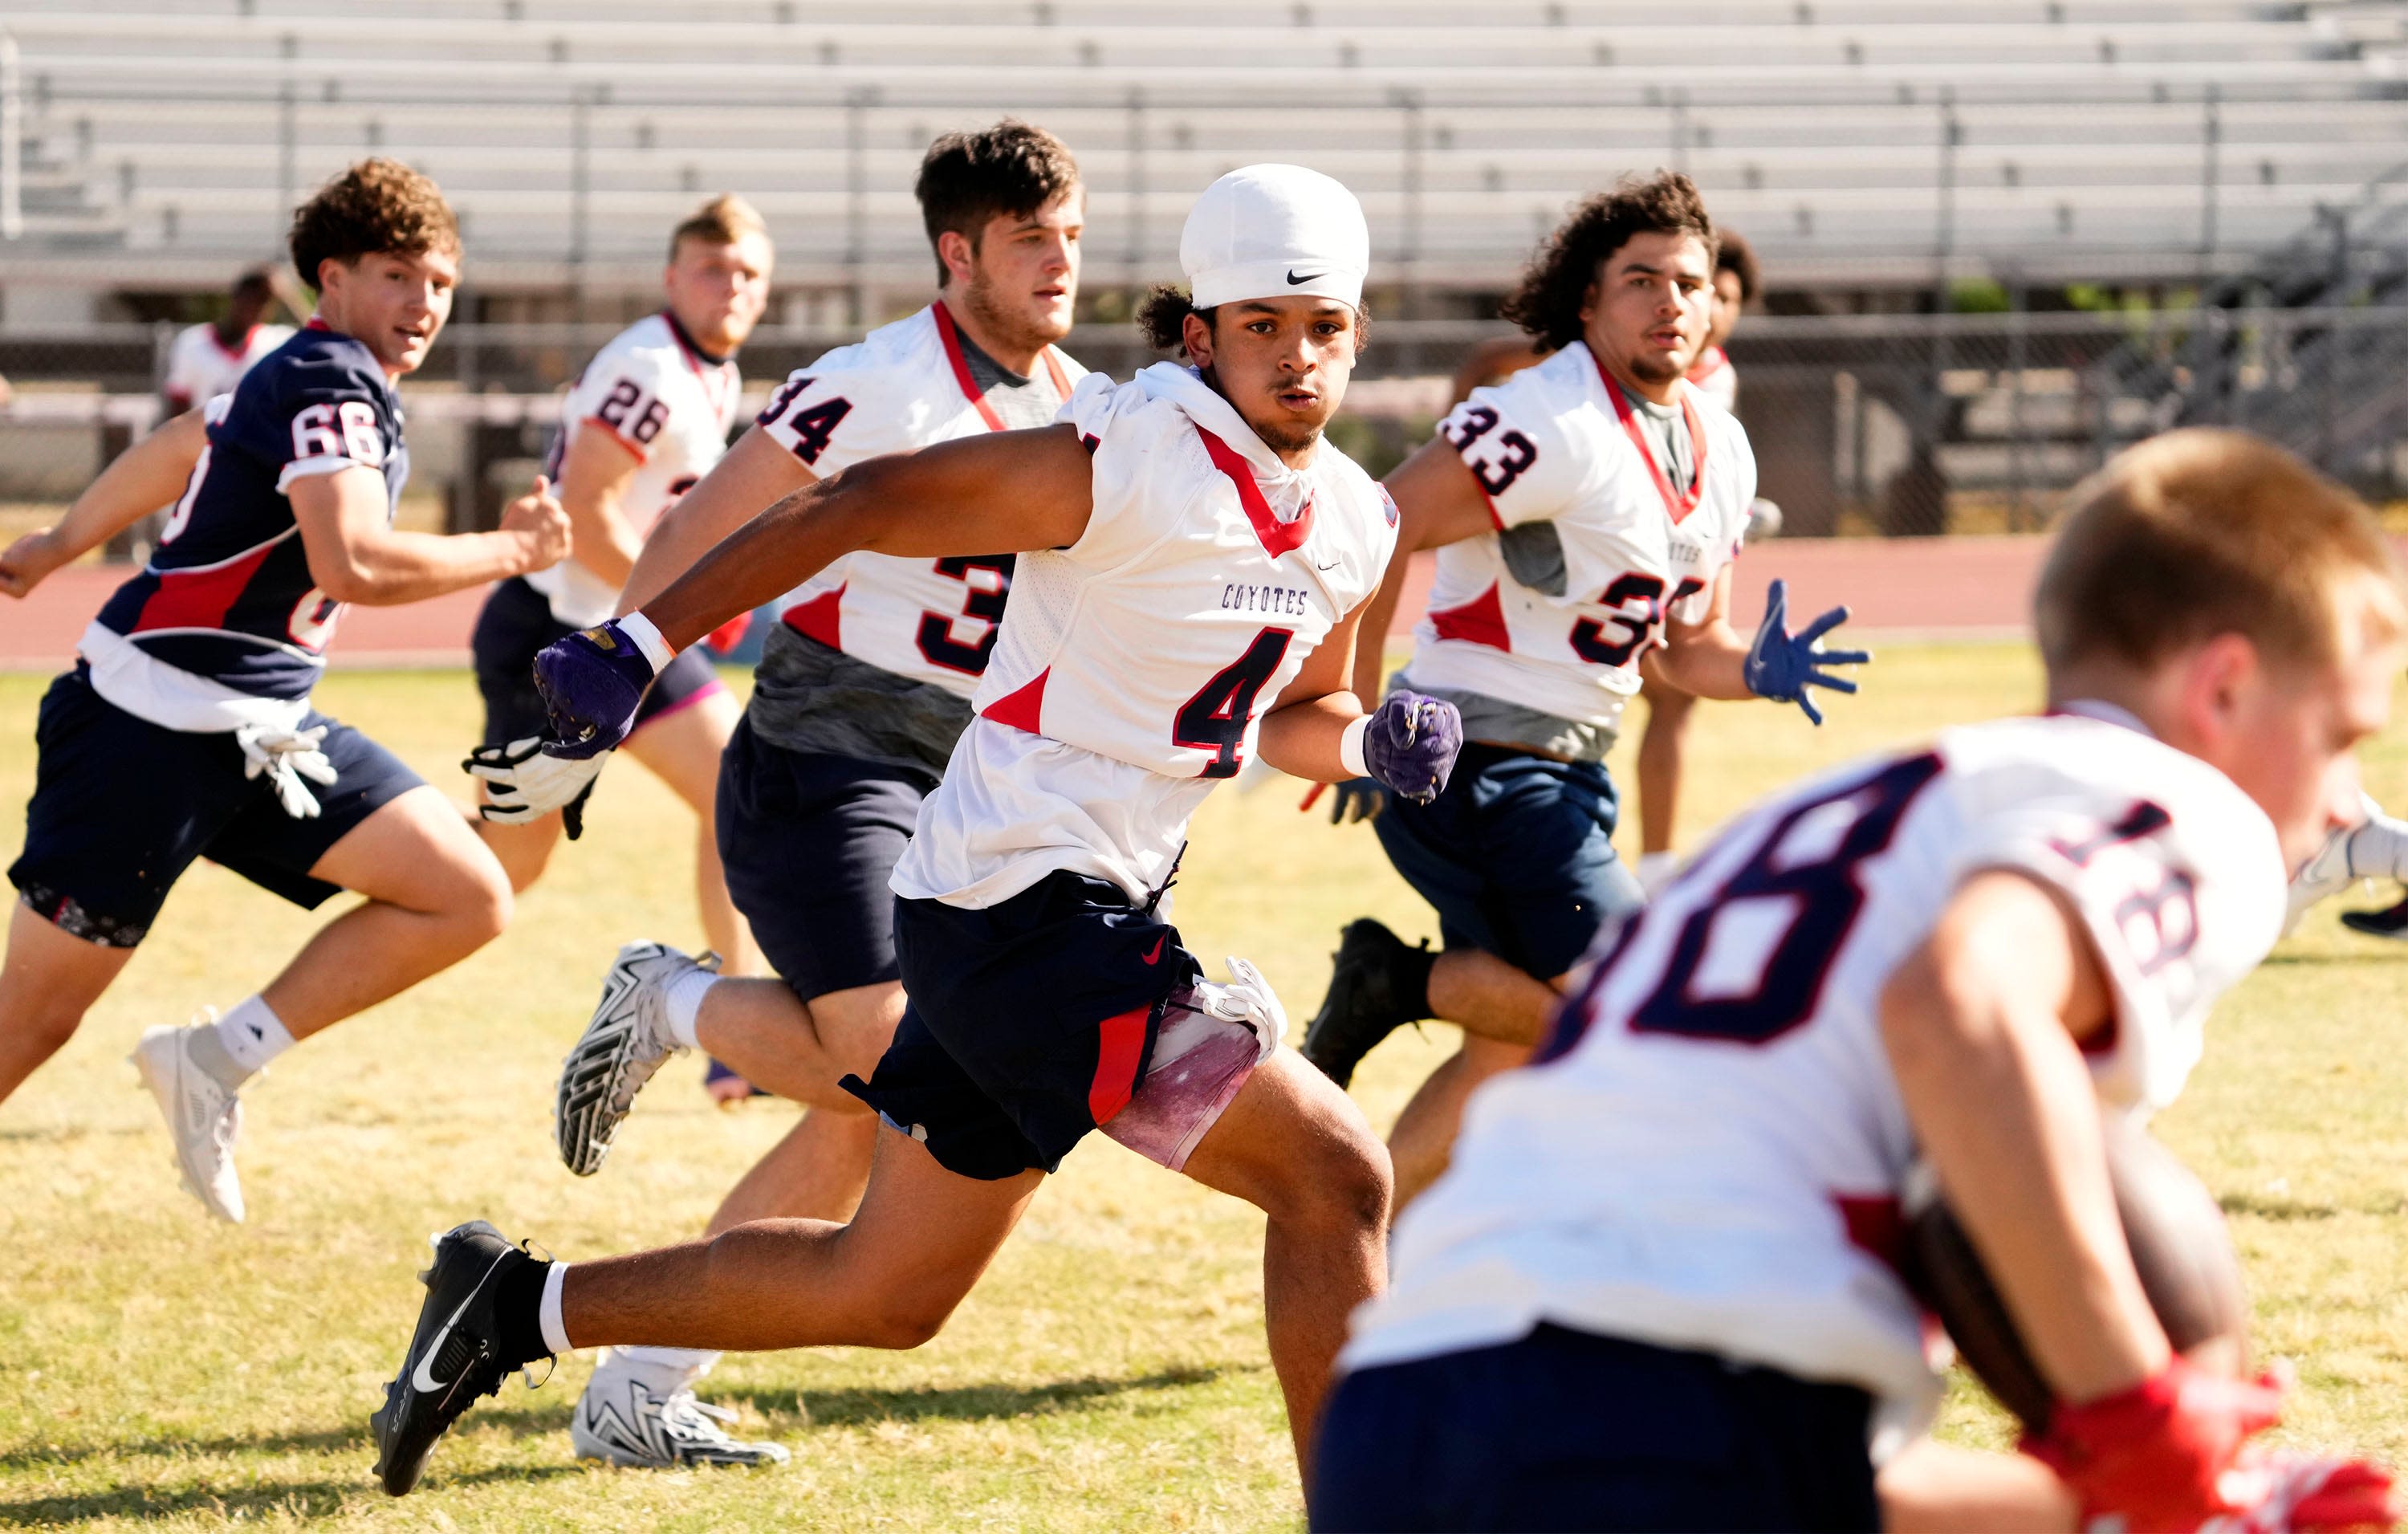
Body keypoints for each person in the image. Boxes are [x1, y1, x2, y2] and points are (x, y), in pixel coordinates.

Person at [369, 163, 1458, 1498]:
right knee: (1336, 1175)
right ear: (1199, 335)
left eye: (1325, 328)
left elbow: (1305, 707)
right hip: (1021, 912)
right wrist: (642, 638)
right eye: (1262, 327)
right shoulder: (1123, 458)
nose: (1298, 358)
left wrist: (1370, 741)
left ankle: (511, 1305)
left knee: (886, 1289)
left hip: (1067, 910)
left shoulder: (1360, 514)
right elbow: (854, 506)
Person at [1309, 428, 2403, 1533]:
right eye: (2342, 734)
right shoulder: (2179, 803)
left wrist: (2130, 1500)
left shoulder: (1816, 819)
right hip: (1649, 1425)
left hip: (1401, 1416)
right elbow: (1955, 1005)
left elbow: (1778, 1467)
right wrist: (2143, 1420)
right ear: (2224, 684)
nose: (2349, 802)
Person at [480, 120, 1092, 1470]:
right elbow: (707, 529)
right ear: (958, 251)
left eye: (1071, 232)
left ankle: (642, 1382)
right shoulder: (874, 380)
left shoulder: (1092, 402)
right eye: (1030, 238)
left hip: (974, 786)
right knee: (905, 1069)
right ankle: (673, 999)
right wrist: (617, 669)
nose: (1061, 261)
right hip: (830, 759)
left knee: (888, 1109)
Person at [0, 159, 570, 1223]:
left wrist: (53, 541)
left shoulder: (314, 371)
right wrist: (511, 546)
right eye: (398, 275)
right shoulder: (329, 380)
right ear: (332, 278)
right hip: (144, 726)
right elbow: (354, 563)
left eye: (440, 282)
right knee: (27, 1025)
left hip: (260, 726)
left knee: (466, 892)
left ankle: (212, 1058)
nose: (425, 304)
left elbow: (183, 442)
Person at [1300, 176, 1864, 1209]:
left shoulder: (1718, 442)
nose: (1670, 302)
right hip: (1474, 767)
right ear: (1589, 302)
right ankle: (1397, 982)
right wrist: (1357, 710)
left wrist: (1753, 671)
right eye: (1640, 280)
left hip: (1569, 769)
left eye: (1688, 283)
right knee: (1641, 1009)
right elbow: (1383, 525)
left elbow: (1684, 649)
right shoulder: (1548, 415)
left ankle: (1373, 1258)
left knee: (1499, 1063)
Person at [465, 195, 774, 1003]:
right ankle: (389, 856)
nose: (731, 287)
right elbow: (588, 508)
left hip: (627, 632)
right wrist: (683, 605)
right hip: (559, 636)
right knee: (501, 873)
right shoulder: (650, 367)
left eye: (748, 273)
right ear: (674, 277)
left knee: (734, 789)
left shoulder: (714, 368)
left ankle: (736, 1021)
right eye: (713, 269)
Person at [1441, 230, 1774, 894]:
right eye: (1648, 283)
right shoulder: (1585, 380)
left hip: (1588, 720)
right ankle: (1654, 865)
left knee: (1671, 695)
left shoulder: (1716, 398)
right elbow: (1399, 512)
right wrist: (1454, 451)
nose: (1680, 303)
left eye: (1706, 291)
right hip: (1498, 712)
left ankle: (1397, 976)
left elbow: (1690, 514)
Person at [161, 270, 296, 417]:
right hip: (205, 436)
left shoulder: (277, 341)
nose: (255, 307)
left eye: (264, 301)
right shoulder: (192, 342)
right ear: (236, 296)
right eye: (250, 297)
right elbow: (179, 404)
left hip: (254, 438)